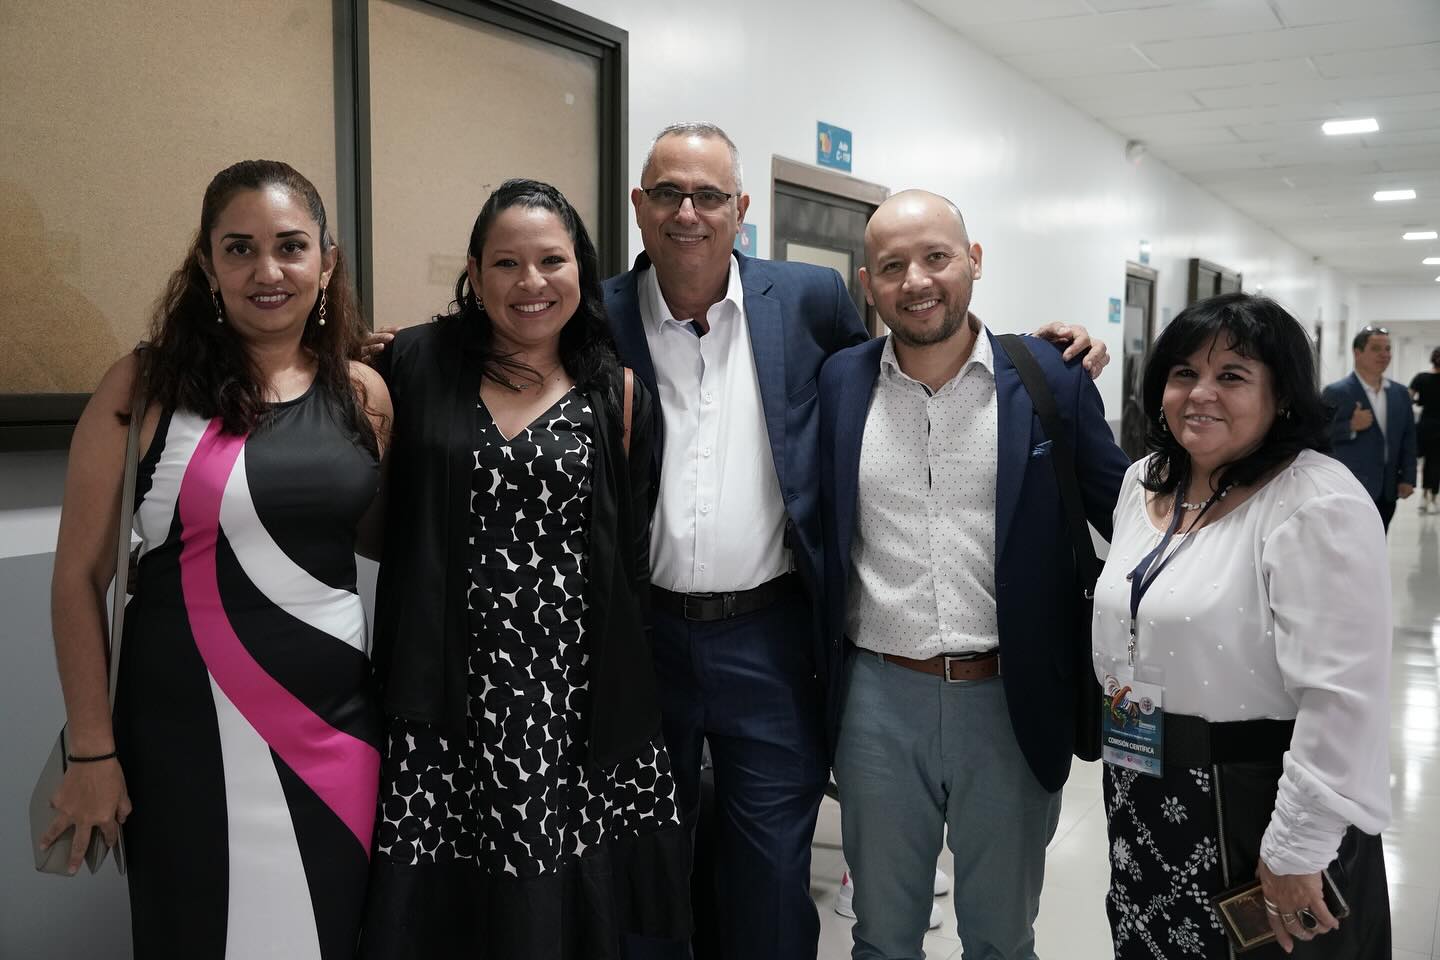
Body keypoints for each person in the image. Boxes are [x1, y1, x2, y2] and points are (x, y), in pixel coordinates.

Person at [599, 124, 1111, 960]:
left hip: (852, 656)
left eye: (710, 196)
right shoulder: (610, 317)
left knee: (829, 889)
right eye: (668, 194)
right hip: (704, 649)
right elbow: (513, 339)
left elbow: (1129, 505)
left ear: (743, 210)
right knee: (659, 867)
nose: (688, 213)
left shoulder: (1028, 377)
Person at [41, 159, 391, 958]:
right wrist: (91, 749)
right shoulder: (144, 385)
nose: (267, 271)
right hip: (182, 739)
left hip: (334, 734)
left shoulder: (364, 392)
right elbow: (77, 581)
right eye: (239, 249)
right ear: (206, 264)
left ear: (327, 260)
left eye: (291, 246)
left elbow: (371, 535)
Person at [360, 179, 690, 959]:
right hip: (440, 698)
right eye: (507, 263)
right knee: (435, 911)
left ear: (583, 269)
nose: (531, 282)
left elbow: (628, 557)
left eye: (551, 260)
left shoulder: (622, 394)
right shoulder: (414, 365)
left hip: (568, 707)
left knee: (550, 918)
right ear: (474, 275)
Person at [817, 189, 1129, 959]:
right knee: (884, 937)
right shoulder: (838, 385)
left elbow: (1132, 518)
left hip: (1011, 700)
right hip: (878, 704)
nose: (917, 280)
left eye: (936, 257)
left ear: (975, 262)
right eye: (893, 266)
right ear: (868, 284)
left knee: (1000, 936)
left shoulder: (1050, 381)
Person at [1092, 293, 1391, 958]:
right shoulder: (1145, 481)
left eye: (1232, 376)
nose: (1200, 394)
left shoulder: (1316, 501)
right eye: (1183, 373)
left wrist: (1297, 848)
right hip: (1143, 781)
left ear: (1281, 395)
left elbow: (1344, 701)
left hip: (1255, 804)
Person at [1321, 326, 1416, 530]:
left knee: (1379, 546)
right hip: (1348, 488)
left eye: (1388, 349)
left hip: (1388, 489)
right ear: (1357, 352)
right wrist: (1350, 426)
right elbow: (1316, 437)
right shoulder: (1336, 392)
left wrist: (1408, 477)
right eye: (1376, 349)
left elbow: (1409, 438)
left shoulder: (1399, 393)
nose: (1384, 355)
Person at [1410, 347, 1440, 514]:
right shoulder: (1422, 378)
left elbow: (1408, 397)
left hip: (1426, 424)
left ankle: (1425, 495)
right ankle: (1433, 497)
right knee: (1435, 463)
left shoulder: (1421, 378)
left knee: (1427, 462)